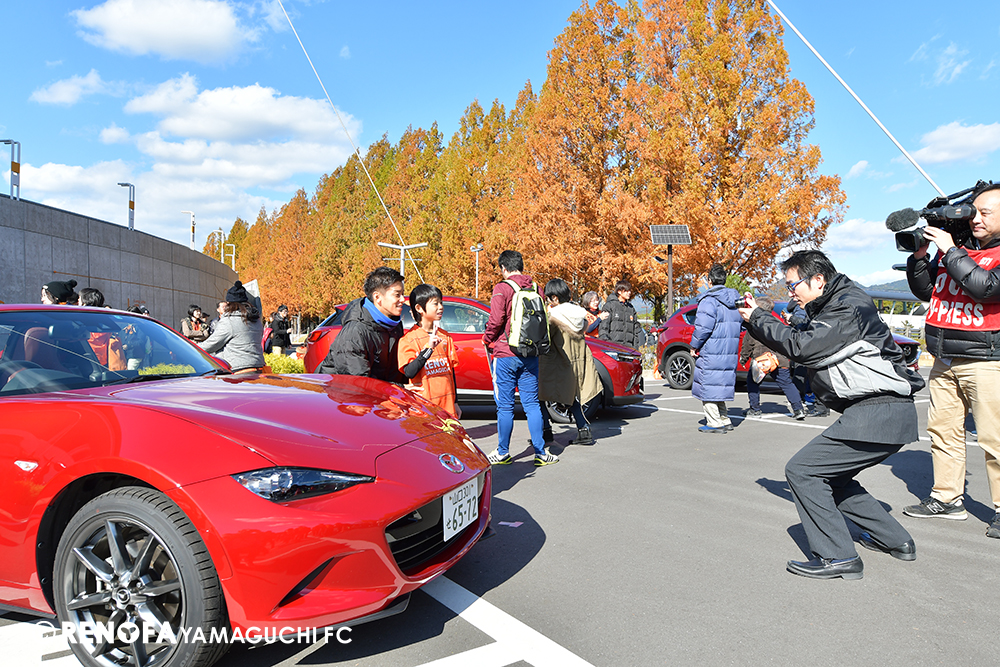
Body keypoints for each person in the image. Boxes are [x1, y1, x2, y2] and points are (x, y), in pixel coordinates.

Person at [739, 250, 925, 580]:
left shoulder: (846, 306)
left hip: (878, 411)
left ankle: (838, 556)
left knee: (802, 471)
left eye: (793, 285)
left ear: (818, 280)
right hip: (883, 413)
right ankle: (896, 540)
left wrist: (758, 317)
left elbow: (803, 346)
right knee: (833, 478)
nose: (791, 292)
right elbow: (812, 348)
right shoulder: (839, 304)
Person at [902, 183, 1000, 539]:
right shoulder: (958, 249)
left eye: (985, 212)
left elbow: (986, 288)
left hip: (987, 360)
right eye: (974, 211)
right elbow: (927, 290)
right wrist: (920, 258)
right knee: (943, 432)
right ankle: (946, 498)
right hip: (944, 357)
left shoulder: (962, 251)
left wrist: (950, 250)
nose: (976, 218)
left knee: (994, 438)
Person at [482, 250, 558, 467]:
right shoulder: (536, 288)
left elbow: (496, 320)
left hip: (505, 353)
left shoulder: (502, 288)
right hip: (531, 353)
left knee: (505, 406)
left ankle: (503, 452)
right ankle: (540, 452)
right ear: (521, 266)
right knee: (532, 404)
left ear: (503, 268)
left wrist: (487, 338)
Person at [539, 279, 603, 445]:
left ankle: (545, 431)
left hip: (557, 362)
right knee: (571, 396)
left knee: (540, 395)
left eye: (548, 298)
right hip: (577, 362)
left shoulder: (553, 316)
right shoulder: (579, 314)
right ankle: (583, 429)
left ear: (555, 297)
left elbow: (545, 340)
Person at [317, 267, 406, 383]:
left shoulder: (394, 325)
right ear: (377, 297)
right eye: (397, 295)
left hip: (380, 391)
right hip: (341, 391)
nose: (403, 299)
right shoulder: (355, 332)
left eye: (403, 294)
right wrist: (398, 388)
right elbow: (357, 382)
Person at [690, 264, 742, 433]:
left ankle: (714, 422)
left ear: (709, 281)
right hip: (729, 349)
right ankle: (724, 418)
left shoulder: (708, 300)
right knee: (718, 383)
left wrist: (694, 345)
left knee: (708, 385)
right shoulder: (735, 301)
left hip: (711, 349)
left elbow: (703, 328)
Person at [398, 284, 460, 418]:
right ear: (419, 308)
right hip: (424, 408)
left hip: (447, 407)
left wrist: (456, 402)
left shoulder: (445, 336)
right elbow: (409, 372)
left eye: (441, 303)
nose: (441, 307)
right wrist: (428, 349)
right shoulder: (408, 339)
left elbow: (451, 372)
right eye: (435, 303)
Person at [739, 296, 806, 420]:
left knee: (753, 382)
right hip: (779, 359)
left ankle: (755, 409)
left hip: (761, 360)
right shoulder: (777, 322)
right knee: (786, 383)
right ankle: (798, 409)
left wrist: (744, 358)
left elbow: (747, 344)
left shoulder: (754, 325)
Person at [200, 281, 266, 373]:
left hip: (238, 368)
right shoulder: (256, 319)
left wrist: (189, 348)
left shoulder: (230, 321)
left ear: (229, 303)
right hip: (258, 366)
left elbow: (213, 344)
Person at [598, 280, 644, 349]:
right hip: (614, 347)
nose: (629, 293)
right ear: (619, 291)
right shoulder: (610, 306)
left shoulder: (631, 308)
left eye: (629, 290)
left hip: (629, 348)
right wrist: (607, 345)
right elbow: (603, 328)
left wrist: (635, 348)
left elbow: (635, 331)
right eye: (626, 291)